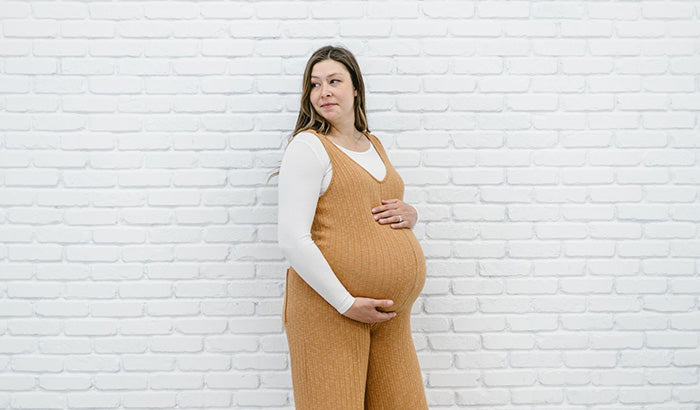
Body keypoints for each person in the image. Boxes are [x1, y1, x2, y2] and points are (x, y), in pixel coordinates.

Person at [275, 45, 429, 409]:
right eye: (314, 84)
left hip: (390, 317)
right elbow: (293, 239)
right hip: (331, 310)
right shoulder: (309, 147)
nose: (323, 91)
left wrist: (411, 215)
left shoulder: (373, 144)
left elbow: (368, 206)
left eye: (334, 81)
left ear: (355, 87)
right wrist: (346, 303)